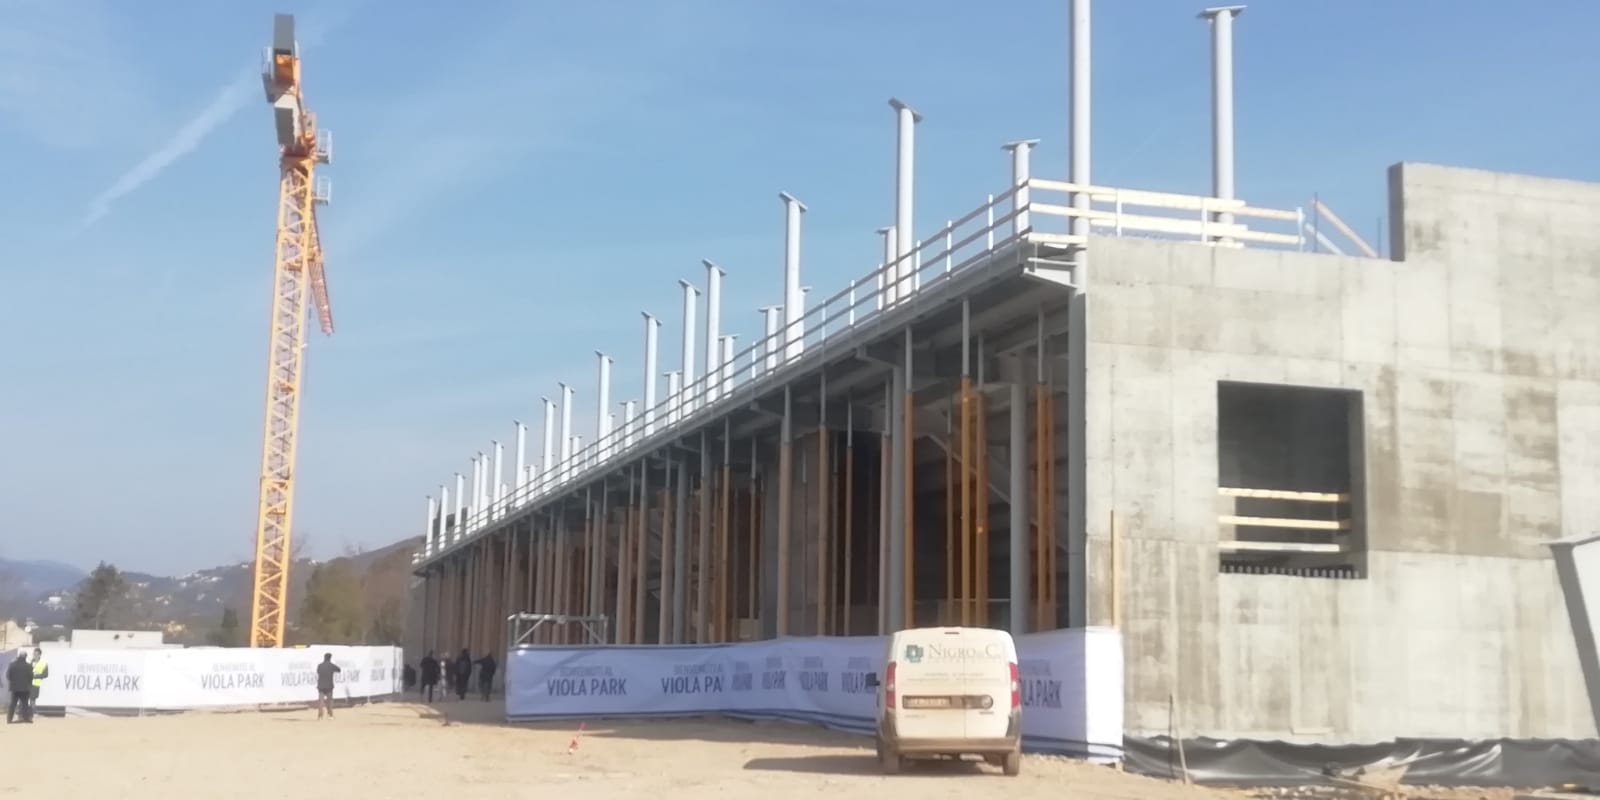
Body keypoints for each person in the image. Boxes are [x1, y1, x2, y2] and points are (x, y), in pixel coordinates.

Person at [6, 652, 33, 724]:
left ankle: (9, 719)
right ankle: (26, 719)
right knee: (25, 704)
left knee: (13, 704)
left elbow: (8, 676)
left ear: (19, 656)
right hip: (25, 688)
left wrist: (14, 682)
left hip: (14, 688)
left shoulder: (12, 665)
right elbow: (31, 677)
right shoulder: (28, 666)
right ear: (25, 657)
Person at [315, 653, 341, 720]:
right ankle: (330, 715)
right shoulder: (331, 665)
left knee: (321, 701)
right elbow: (339, 669)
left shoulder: (320, 665)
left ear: (324, 657)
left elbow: (318, 672)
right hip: (329, 686)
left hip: (321, 686)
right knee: (329, 701)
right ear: (330, 658)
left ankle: (320, 716)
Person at [28, 647, 47, 720]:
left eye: (36, 654)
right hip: (27, 683)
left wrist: (36, 676)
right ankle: (30, 714)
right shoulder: (30, 662)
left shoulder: (43, 664)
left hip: (35, 684)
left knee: (32, 700)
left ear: (39, 655)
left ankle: (34, 713)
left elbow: (45, 674)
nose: (34, 655)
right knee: (28, 700)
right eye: (34, 654)